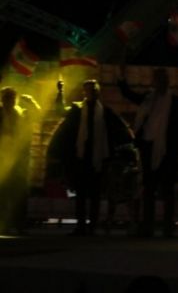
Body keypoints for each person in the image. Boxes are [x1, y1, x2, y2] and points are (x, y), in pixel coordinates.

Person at [48, 80, 133, 236]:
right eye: (88, 90)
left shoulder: (105, 112)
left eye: (93, 90)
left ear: (97, 92)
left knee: (95, 194)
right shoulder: (78, 110)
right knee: (81, 193)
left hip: (99, 158)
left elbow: (122, 129)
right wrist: (60, 92)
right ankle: (81, 225)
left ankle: (92, 225)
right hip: (81, 157)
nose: (91, 93)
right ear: (84, 93)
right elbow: (60, 111)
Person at [118, 65, 178, 237]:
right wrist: (121, 78)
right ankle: (147, 226)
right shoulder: (148, 99)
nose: (158, 83)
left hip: (168, 150)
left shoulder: (177, 103)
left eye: (161, 80)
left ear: (166, 82)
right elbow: (129, 95)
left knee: (167, 189)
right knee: (149, 188)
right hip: (148, 148)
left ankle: (167, 227)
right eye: (156, 80)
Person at [0, 87, 38, 235]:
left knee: (18, 193)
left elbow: (36, 115)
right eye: (6, 98)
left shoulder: (21, 114)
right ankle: (7, 224)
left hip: (17, 160)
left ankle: (18, 224)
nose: (8, 101)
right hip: (4, 158)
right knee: (5, 193)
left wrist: (31, 102)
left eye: (10, 98)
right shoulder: (12, 113)